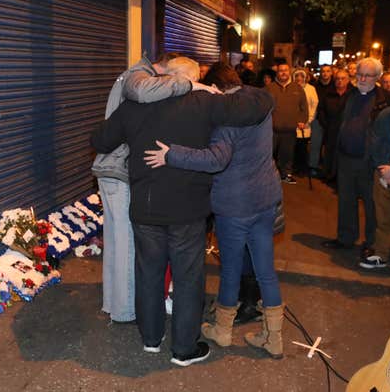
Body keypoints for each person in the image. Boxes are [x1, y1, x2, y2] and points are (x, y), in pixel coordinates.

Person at [90, 57, 273, 367]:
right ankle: (184, 349)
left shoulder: (135, 106)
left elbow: (100, 139)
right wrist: (214, 91)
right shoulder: (203, 102)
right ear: (193, 79)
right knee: (188, 278)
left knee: (149, 272)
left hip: (146, 207)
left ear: (166, 76)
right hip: (187, 211)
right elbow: (256, 106)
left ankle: (150, 338)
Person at [143, 63, 284, 358]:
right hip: (266, 199)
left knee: (231, 270)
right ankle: (274, 338)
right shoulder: (260, 103)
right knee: (266, 270)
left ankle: (222, 330)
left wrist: (172, 154)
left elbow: (215, 160)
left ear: (217, 89)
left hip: (235, 206)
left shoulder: (226, 120)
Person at [91, 52, 195, 324]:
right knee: (125, 245)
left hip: (109, 169)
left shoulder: (137, 78)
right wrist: (186, 84)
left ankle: (113, 304)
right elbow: (140, 93)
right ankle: (125, 311)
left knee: (115, 243)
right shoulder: (139, 79)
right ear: (165, 70)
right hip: (118, 169)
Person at [323, 58, 390, 268]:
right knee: (346, 200)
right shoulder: (350, 95)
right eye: (359, 74)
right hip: (345, 157)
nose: (361, 79)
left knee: (372, 205)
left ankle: (371, 243)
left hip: (369, 161)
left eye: (367, 75)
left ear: (377, 77)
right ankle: (345, 238)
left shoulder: (386, 100)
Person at [368, 99, 390, 270]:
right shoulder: (386, 114)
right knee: (383, 219)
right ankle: (381, 254)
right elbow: (375, 143)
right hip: (383, 175)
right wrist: (383, 170)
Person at [267, 63, 308, 184]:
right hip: (272, 129)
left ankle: (285, 174)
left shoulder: (297, 88)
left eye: (285, 70)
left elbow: (304, 107)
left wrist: (302, 120)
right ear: (277, 73)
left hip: (289, 129)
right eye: (280, 71)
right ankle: (267, 175)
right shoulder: (269, 88)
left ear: (289, 72)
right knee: (269, 154)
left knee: (287, 154)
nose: (283, 73)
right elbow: (262, 106)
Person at [316, 69, 350, 181]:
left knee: (342, 154)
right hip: (331, 127)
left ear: (348, 80)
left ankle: (340, 176)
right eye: (337, 79)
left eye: (343, 78)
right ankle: (328, 173)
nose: (340, 81)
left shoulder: (353, 94)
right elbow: (321, 110)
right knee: (329, 151)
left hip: (346, 130)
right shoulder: (328, 94)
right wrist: (325, 123)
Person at [292, 69, 319, 176]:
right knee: (294, 147)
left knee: (303, 147)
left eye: (301, 76)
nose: (299, 78)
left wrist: (308, 120)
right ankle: (294, 167)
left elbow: (314, 105)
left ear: (305, 77)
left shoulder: (311, 89)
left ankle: (303, 168)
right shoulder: (291, 88)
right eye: (297, 76)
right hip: (293, 123)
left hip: (305, 124)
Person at [309, 65, 334, 176]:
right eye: (323, 71)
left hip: (331, 120)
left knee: (329, 145)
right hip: (317, 119)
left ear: (331, 73)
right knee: (315, 144)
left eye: (328, 71)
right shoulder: (314, 86)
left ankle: (326, 168)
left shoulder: (334, 86)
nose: (325, 73)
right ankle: (313, 166)